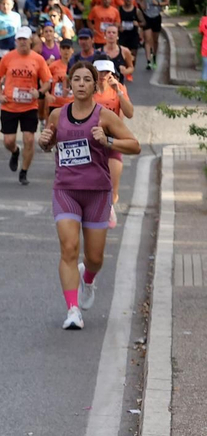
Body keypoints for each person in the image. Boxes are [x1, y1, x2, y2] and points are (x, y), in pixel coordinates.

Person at [37, 61, 141, 330]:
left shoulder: (105, 116)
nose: (81, 84)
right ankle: (72, 310)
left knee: (94, 258)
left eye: (86, 80)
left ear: (96, 86)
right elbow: (49, 145)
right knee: (69, 249)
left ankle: (89, 279)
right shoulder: (57, 115)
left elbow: (135, 145)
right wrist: (45, 142)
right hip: (66, 189)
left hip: (97, 192)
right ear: (69, 84)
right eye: (76, 79)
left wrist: (108, 141)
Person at [0, 27, 52, 186]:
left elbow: (48, 81)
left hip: (29, 106)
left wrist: (39, 92)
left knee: (28, 139)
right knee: (8, 140)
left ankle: (24, 171)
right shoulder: (8, 57)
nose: (22, 42)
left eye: (25, 40)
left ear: (30, 41)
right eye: (19, 39)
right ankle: (15, 151)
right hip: (9, 106)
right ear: (16, 41)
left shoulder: (38, 59)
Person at [93, 60, 135, 225]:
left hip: (112, 140)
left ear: (112, 74)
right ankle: (98, 210)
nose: (103, 76)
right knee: (94, 180)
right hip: (93, 140)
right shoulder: (88, 90)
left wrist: (119, 92)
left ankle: (109, 205)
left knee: (113, 185)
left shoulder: (119, 89)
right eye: (100, 72)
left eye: (106, 72)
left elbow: (130, 113)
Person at [140, 0, 166, 69]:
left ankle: (154, 56)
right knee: (147, 39)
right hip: (147, 16)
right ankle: (148, 61)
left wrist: (158, 3)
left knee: (155, 40)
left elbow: (167, 1)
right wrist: (142, 5)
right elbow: (139, 0)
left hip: (156, 16)